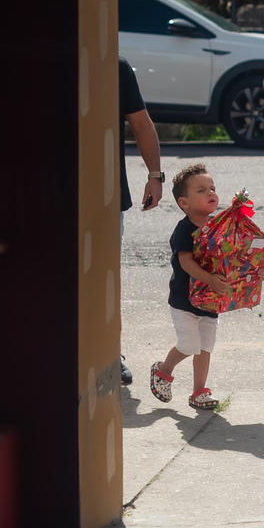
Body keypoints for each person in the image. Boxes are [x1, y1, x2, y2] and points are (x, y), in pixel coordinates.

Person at [150, 163, 264, 411]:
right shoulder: (185, 229)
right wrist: (210, 279)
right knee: (189, 345)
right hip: (184, 300)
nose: (211, 193)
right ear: (184, 203)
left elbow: (232, 258)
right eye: (201, 190)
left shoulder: (218, 227)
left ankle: (199, 391)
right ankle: (163, 370)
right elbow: (186, 262)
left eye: (212, 188)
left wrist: (253, 271)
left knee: (204, 347)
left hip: (211, 301)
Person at [118, 55, 163, 385]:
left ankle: (108, 350)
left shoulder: (113, 67)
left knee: (104, 276)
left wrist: (155, 175)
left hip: (104, 194)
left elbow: (141, 123)